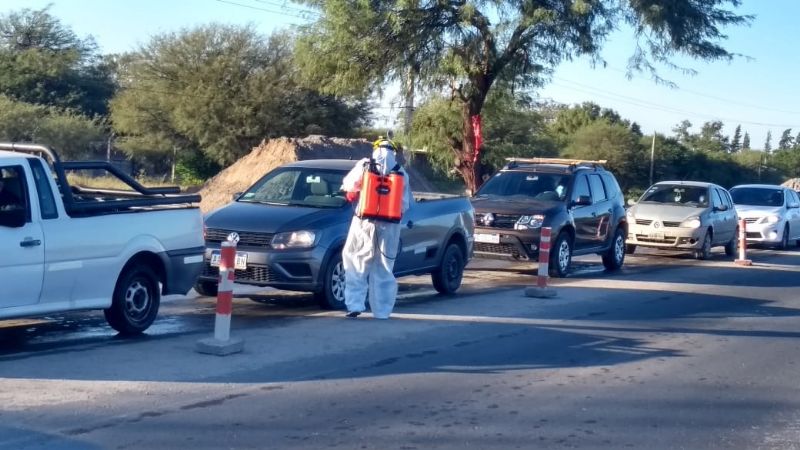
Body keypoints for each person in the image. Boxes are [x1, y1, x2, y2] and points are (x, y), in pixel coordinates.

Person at [340, 137, 412, 319]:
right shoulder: (401, 172)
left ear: (375, 148)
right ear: (393, 151)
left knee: (356, 261)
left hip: (364, 223)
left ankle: (354, 305)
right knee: (384, 267)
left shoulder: (365, 165)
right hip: (389, 227)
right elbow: (405, 204)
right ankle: (382, 311)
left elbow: (348, 186)